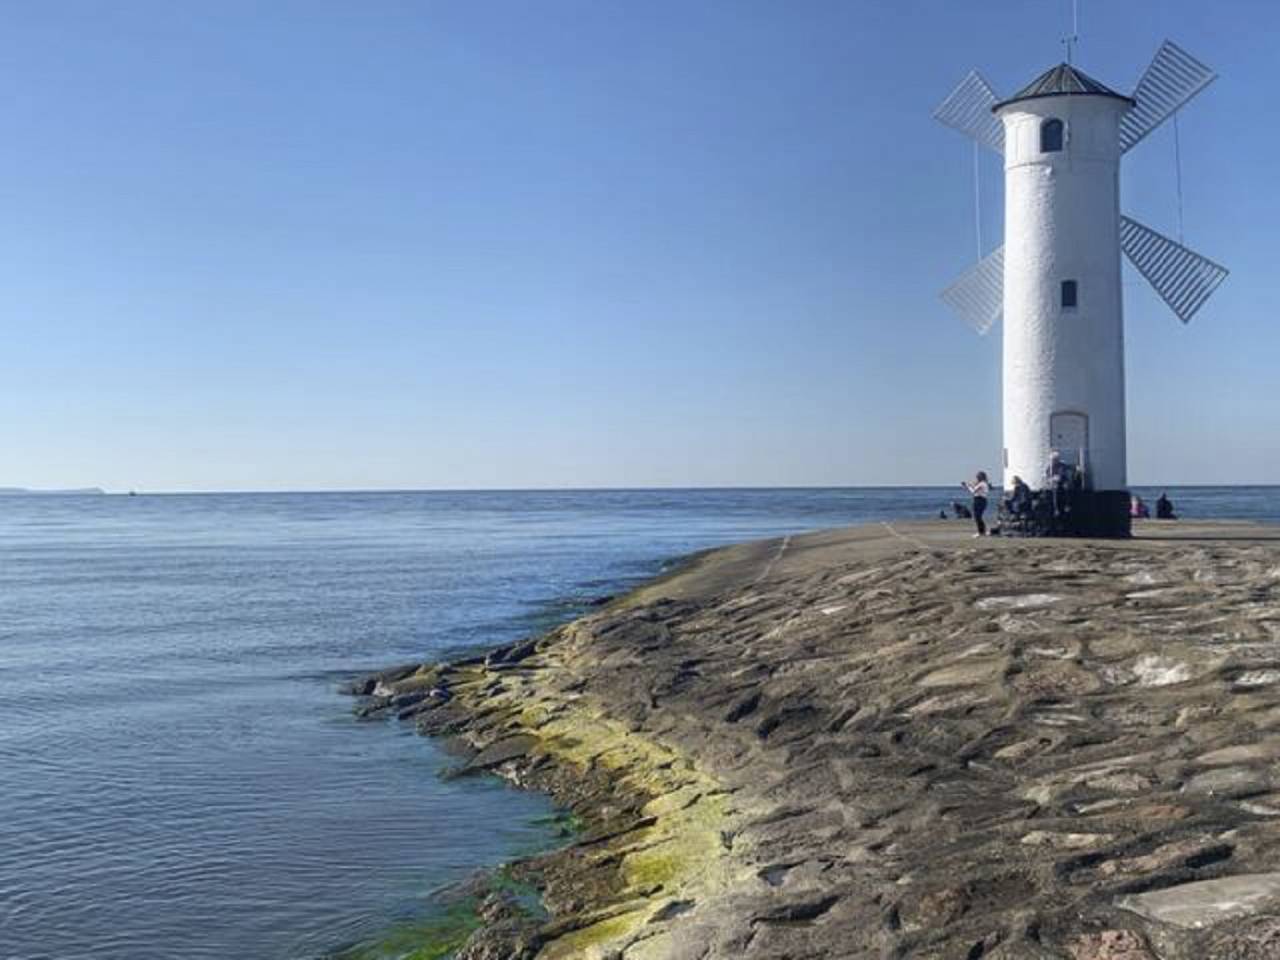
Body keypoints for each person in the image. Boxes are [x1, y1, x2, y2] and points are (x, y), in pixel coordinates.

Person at [961, 471, 990, 537]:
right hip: (981, 500)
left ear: (980, 477)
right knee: (978, 517)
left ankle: (981, 532)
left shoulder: (982, 484)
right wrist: (968, 486)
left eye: (977, 477)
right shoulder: (983, 483)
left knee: (977, 517)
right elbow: (974, 488)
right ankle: (983, 531)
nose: (976, 478)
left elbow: (973, 491)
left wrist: (967, 486)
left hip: (979, 500)